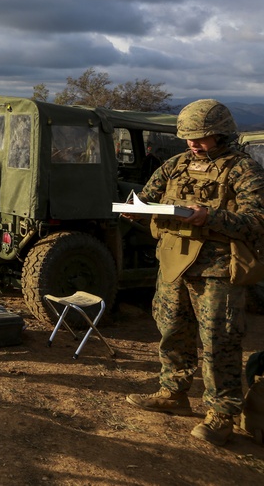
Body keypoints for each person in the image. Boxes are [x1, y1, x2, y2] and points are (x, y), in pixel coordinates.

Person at [124, 99, 264, 446]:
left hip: (217, 270)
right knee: (172, 331)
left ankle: (222, 414)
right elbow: (148, 197)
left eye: (201, 138)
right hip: (174, 262)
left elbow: (258, 222)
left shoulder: (244, 171)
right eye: (188, 137)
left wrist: (209, 217)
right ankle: (174, 393)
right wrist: (136, 210)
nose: (192, 144)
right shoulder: (176, 165)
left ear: (221, 134)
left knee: (219, 342)